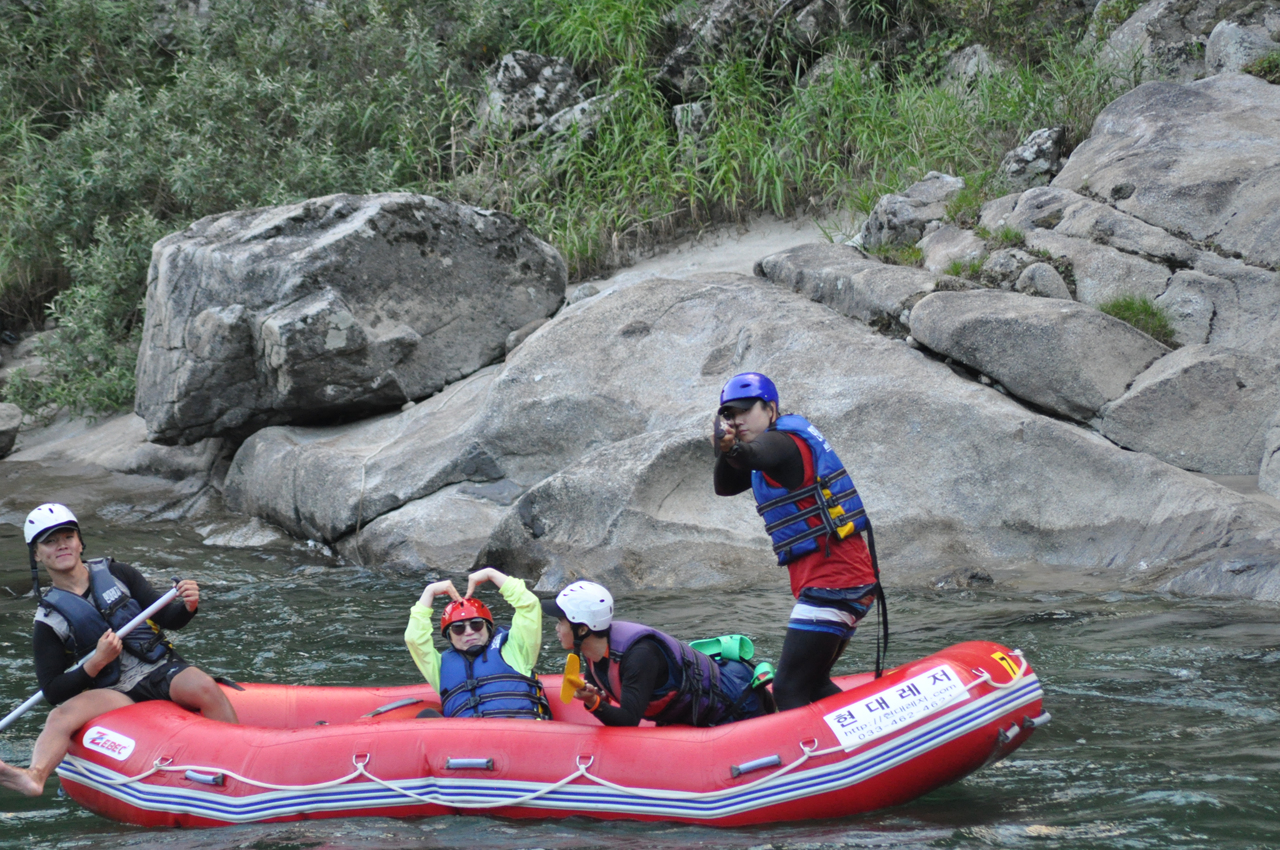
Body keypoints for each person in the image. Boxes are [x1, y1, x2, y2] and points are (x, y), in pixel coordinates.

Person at [0, 504, 239, 797]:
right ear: (37, 554)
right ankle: (34, 777)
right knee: (60, 717)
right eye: (50, 541)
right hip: (113, 690)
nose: (61, 545)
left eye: (68, 537)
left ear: (79, 542)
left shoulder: (118, 573)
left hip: (159, 669)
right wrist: (96, 663)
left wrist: (188, 606)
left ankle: (236, 764)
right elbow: (52, 690)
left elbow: (168, 618)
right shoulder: (48, 619)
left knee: (204, 686)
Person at [711, 372, 885, 711]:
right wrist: (726, 449)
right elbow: (724, 486)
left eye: (746, 410)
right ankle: (867, 730)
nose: (738, 420)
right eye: (730, 414)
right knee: (813, 682)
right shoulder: (764, 450)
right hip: (846, 582)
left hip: (835, 584)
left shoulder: (783, 443)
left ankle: (828, 746)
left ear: (771, 409)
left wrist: (732, 447)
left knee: (788, 688)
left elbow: (754, 456)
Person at [547, 580, 771, 727]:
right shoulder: (593, 652)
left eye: (560, 621)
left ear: (583, 629)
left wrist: (593, 702)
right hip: (695, 713)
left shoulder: (639, 656)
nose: (556, 628)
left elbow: (628, 721)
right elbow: (606, 687)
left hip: (737, 710)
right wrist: (598, 695)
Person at [405, 566, 550, 719]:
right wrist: (429, 592)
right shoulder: (439, 667)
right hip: (466, 735)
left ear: (488, 628)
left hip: (516, 731)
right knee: (426, 716)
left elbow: (529, 606)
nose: (469, 632)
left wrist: (492, 574)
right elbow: (414, 639)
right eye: (458, 628)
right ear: (449, 636)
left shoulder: (516, 648)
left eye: (476, 624)